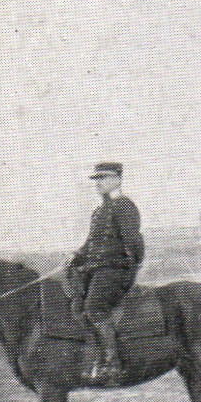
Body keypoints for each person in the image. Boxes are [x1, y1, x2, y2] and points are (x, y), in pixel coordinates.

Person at [68, 161, 144, 384]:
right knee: (77, 306)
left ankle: (113, 363)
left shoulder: (125, 206)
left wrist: (132, 269)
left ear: (118, 180)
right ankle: (95, 357)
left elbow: (134, 242)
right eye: (97, 179)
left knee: (94, 307)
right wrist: (76, 255)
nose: (98, 183)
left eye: (103, 178)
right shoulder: (100, 210)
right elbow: (91, 243)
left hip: (114, 270)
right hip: (96, 270)